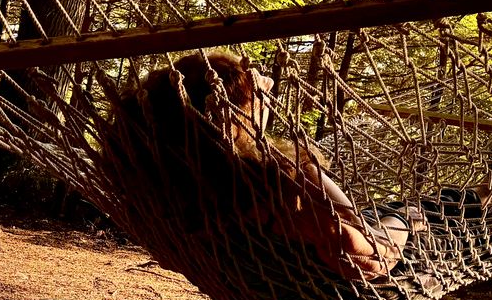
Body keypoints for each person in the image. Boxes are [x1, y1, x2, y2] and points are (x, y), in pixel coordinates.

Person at [102, 50, 426, 283]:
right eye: (253, 87)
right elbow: (366, 255)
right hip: (329, 293)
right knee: (429, 208)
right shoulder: (281, 183)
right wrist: (404, 223)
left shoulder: (158, 189)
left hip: (245, 282)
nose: (268, 86)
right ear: (231, 113)